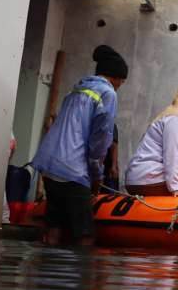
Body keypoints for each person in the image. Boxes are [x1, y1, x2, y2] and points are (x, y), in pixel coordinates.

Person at [32, 45, 127, 246]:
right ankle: (80, 272)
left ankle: (46, 273)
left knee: (54, 226)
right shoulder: (108, 93)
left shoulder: (78, 88)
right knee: (85, 234)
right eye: (121, 82)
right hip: (72, 169)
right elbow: (101, 137)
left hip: (48, 165)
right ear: (115, 78)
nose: (120, 86)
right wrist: (96, 174)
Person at [100, 123, 120, 193]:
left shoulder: (109, 123)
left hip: (107, 169)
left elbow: (113, 146)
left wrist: (113, 166)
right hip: (100, 167)